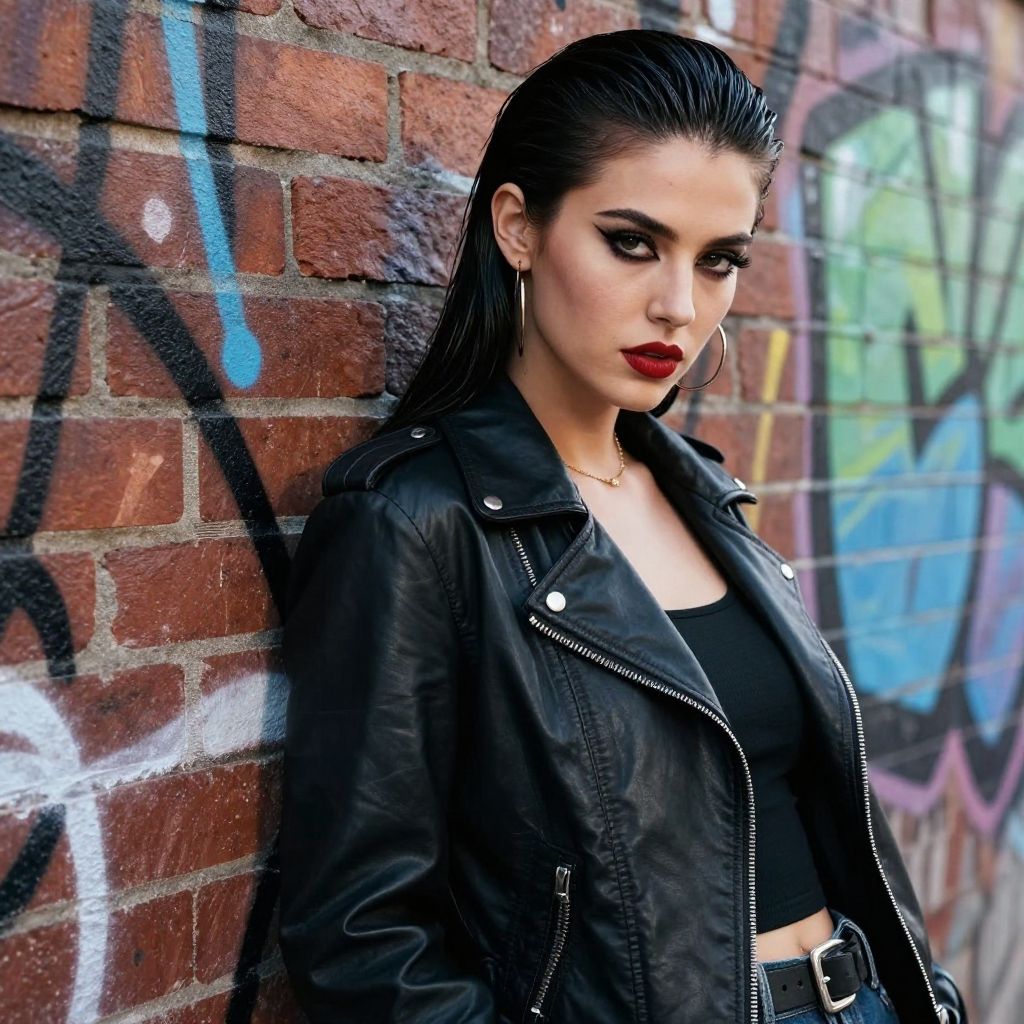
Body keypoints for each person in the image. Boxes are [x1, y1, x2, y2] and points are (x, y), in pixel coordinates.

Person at [279, 29, 968, 1024]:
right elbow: (362, 938)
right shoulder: (414, 522)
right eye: (631, 242)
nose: (679, 307)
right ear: (518, 226)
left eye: (719, 259)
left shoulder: (705, 498)